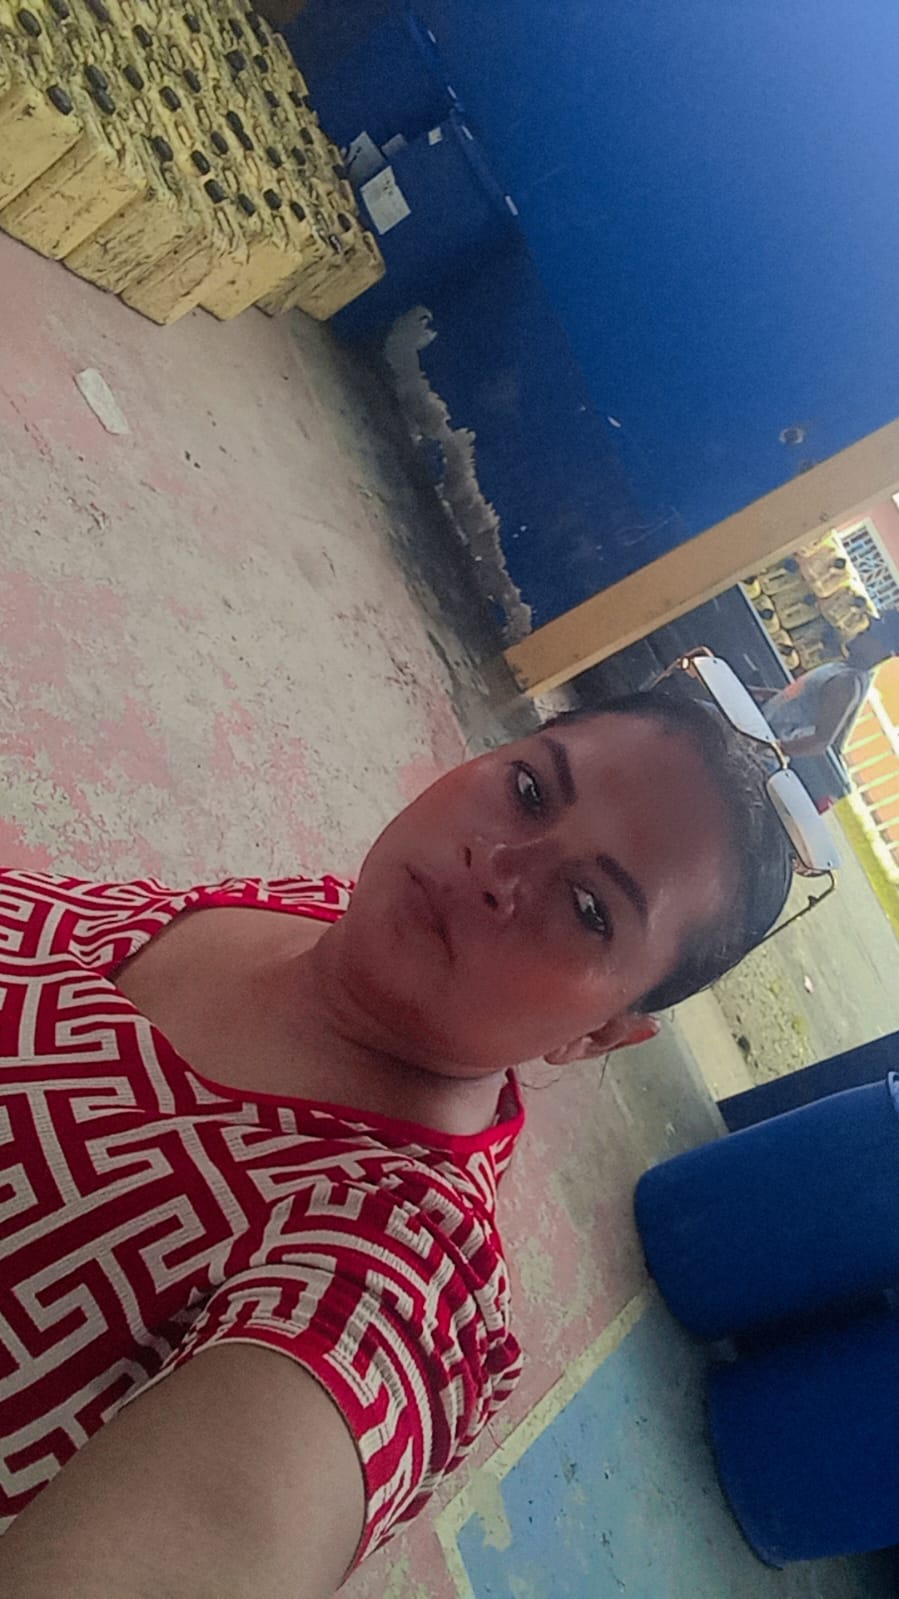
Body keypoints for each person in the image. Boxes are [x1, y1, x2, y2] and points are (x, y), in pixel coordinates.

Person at [0, 690, 796, 1598]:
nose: (497, 865)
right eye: (530, 791)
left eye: (586, 906)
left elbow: (232, 1514)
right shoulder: (323, 918)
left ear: (600, 1034)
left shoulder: (399, 1271)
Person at [758, 609, 899, 758]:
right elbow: (800, 702)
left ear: (881, 651)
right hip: (760, 730)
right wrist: (761, 694)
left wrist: (773, 750)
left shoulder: (847, 682)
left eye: (870, 633)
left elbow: (820, 741)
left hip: (766, 745)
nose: (860, 633)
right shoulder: (841, 668)